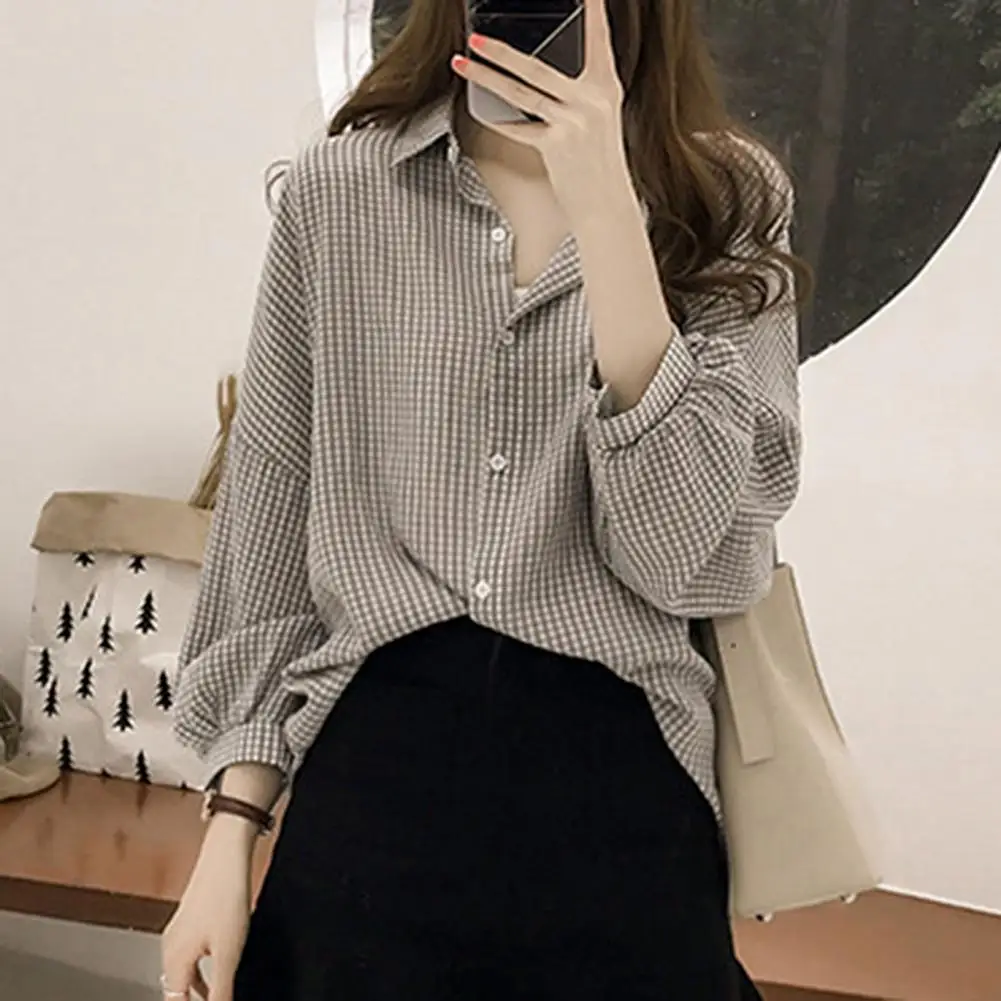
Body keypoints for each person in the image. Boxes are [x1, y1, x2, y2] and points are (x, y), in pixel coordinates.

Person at [161, 0, 810, 998]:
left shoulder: (725, 198)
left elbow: (695, 562)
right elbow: (269, 536)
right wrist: (229, 835)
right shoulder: (342, 191)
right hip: (371, 809)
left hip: (623, 811)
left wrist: (607, 208)